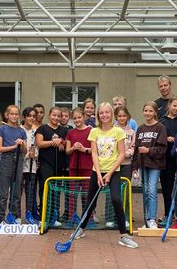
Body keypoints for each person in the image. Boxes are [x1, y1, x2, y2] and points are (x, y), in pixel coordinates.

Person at [73, 102, 138, 249]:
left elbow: (122, 154)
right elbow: (94, 153)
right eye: (101, 113)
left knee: (116, 199)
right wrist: (98, 173)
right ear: (98, 115)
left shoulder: (118, 131)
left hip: (113, 171)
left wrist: (108, 174)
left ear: (112, 114)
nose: (104, 115)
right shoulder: (94, 132)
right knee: (91, 202)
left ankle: (123, 235)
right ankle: (81, 229)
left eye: (107, 112)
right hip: (97, 171)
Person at [132, 101, 167, 229]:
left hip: (155, 165)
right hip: (142, 164)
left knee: (152, 191)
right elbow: (136, 149)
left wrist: (149, 150)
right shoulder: (140, 128)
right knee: (145, 191)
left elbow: (162, 149)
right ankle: (147, 219)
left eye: (150, 111)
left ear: (155, 112)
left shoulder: (160, 127)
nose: (148, 113)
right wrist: (134, 167)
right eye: (146, 110)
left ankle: (152, 219)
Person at [36, 106, 68, 226]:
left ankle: (54, 217)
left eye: (58, 116)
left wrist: (62, 142)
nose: (56, 118)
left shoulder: (64, 130)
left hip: (59, 165)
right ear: (49, 115)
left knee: (57, 191)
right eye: (54, 115)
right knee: (45, 190)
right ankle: (43, 217)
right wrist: (54, 142)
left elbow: (66, 144)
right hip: (45, 164)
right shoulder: (42, 128)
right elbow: (39, 143)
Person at [0, 105, 27, 224]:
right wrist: (14, 146)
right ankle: (0, 218)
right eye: (12, 114)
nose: (14, 116)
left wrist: (22, 144)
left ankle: (13, 216)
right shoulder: (2, 129)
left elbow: (25, 151)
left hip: (19, 159)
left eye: (16, 114)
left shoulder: (21, 130)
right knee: (3, 192)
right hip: (6, 159)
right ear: (7, 115)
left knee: (16, 190)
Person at [105, 106, 135, 228]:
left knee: (125, 191)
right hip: (113, 165)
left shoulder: (132, 132)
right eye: (119, 116)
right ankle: (110, 218)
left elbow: (133, 147)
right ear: (116, 117)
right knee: (111, 192)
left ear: (128, 117)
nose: (122, 118)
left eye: (124, 116)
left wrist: (126, 154)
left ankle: (125, 218)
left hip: (126, 165)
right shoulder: (112, 130)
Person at [65, 107, 92, 224]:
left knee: (87, 193)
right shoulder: (70, 133)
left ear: (84, 117)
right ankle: (72, 217)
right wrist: (73, 148)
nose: (77, 120)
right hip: (73, 167)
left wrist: (83, 149)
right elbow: (67, 151)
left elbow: (94, 150)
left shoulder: (91, 131)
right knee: (72, 193)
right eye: (75, 118)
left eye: (79, 117)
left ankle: (88, 218)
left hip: (87, 166)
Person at [158, 96, 177, 227]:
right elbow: (157, 137)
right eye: (174, 106)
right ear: (169, 106)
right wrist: (166, 138)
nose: (176, 109)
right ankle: (168, 213)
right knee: (166, 187)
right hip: (166, 159)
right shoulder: (162, 121)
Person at [21, 107, 39, 219]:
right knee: (18, 192)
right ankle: (16, 216)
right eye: (29, 116)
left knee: (31, 192)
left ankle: (30, 214)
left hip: (32, 167)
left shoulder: (36, 131)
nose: (31, 118)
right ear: (24, 117)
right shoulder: (19, 129)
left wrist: (34, 154)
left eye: (33, 116)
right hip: (20, 166)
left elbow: (37, 148)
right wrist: (27, 154)